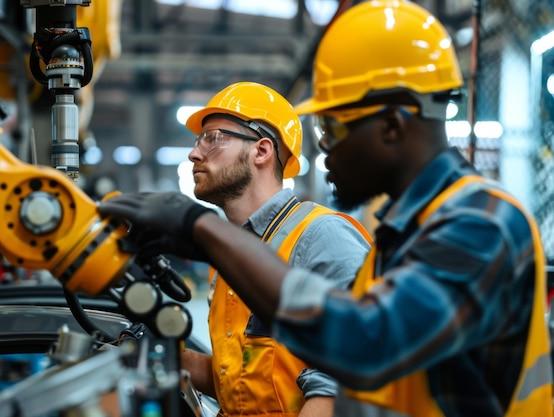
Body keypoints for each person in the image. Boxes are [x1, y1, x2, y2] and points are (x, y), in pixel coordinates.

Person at [98, 1, 553, 416]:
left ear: (392, 126)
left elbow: (364, 343)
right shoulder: (404, 234)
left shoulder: (479, 222)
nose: (322, 149)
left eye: (333, 129)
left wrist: (201, 230)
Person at [182, 81, 372, 417]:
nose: (194, 153)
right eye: (198, 141)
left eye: (212, 139)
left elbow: (349, 379)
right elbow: (240, 381)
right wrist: (169, 357)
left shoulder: (320, 236)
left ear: (261, 151)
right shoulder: (230, 254)